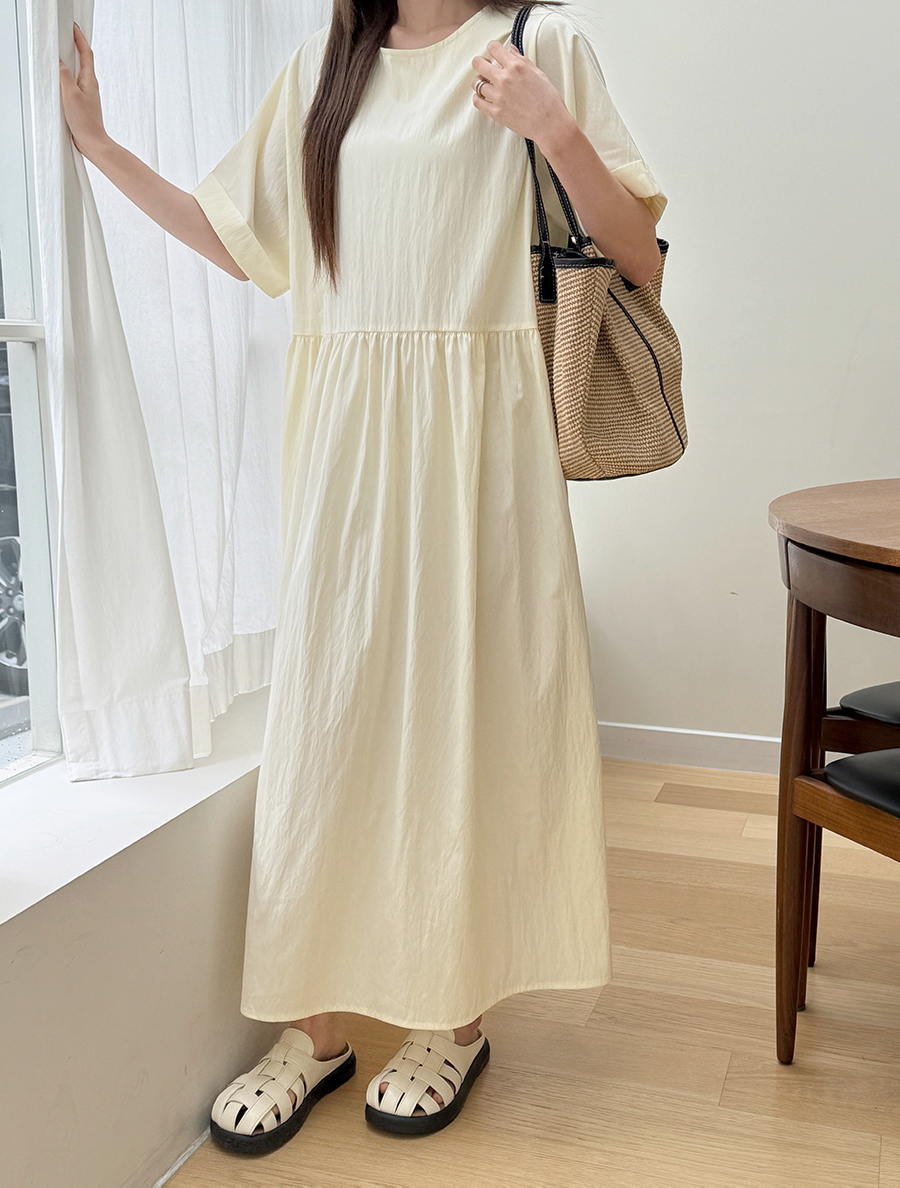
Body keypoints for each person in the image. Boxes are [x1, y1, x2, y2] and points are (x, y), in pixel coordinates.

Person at [59, 0, 666, 1151]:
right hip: (345, 444)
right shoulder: (321, 68)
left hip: (483, 447)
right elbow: (240, 241)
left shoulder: (538, 46)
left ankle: (454, 1015)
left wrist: (553, 128)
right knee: (327, 728)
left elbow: (637, 256)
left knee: (468, 720)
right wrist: (100, 148)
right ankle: (315, 1027)